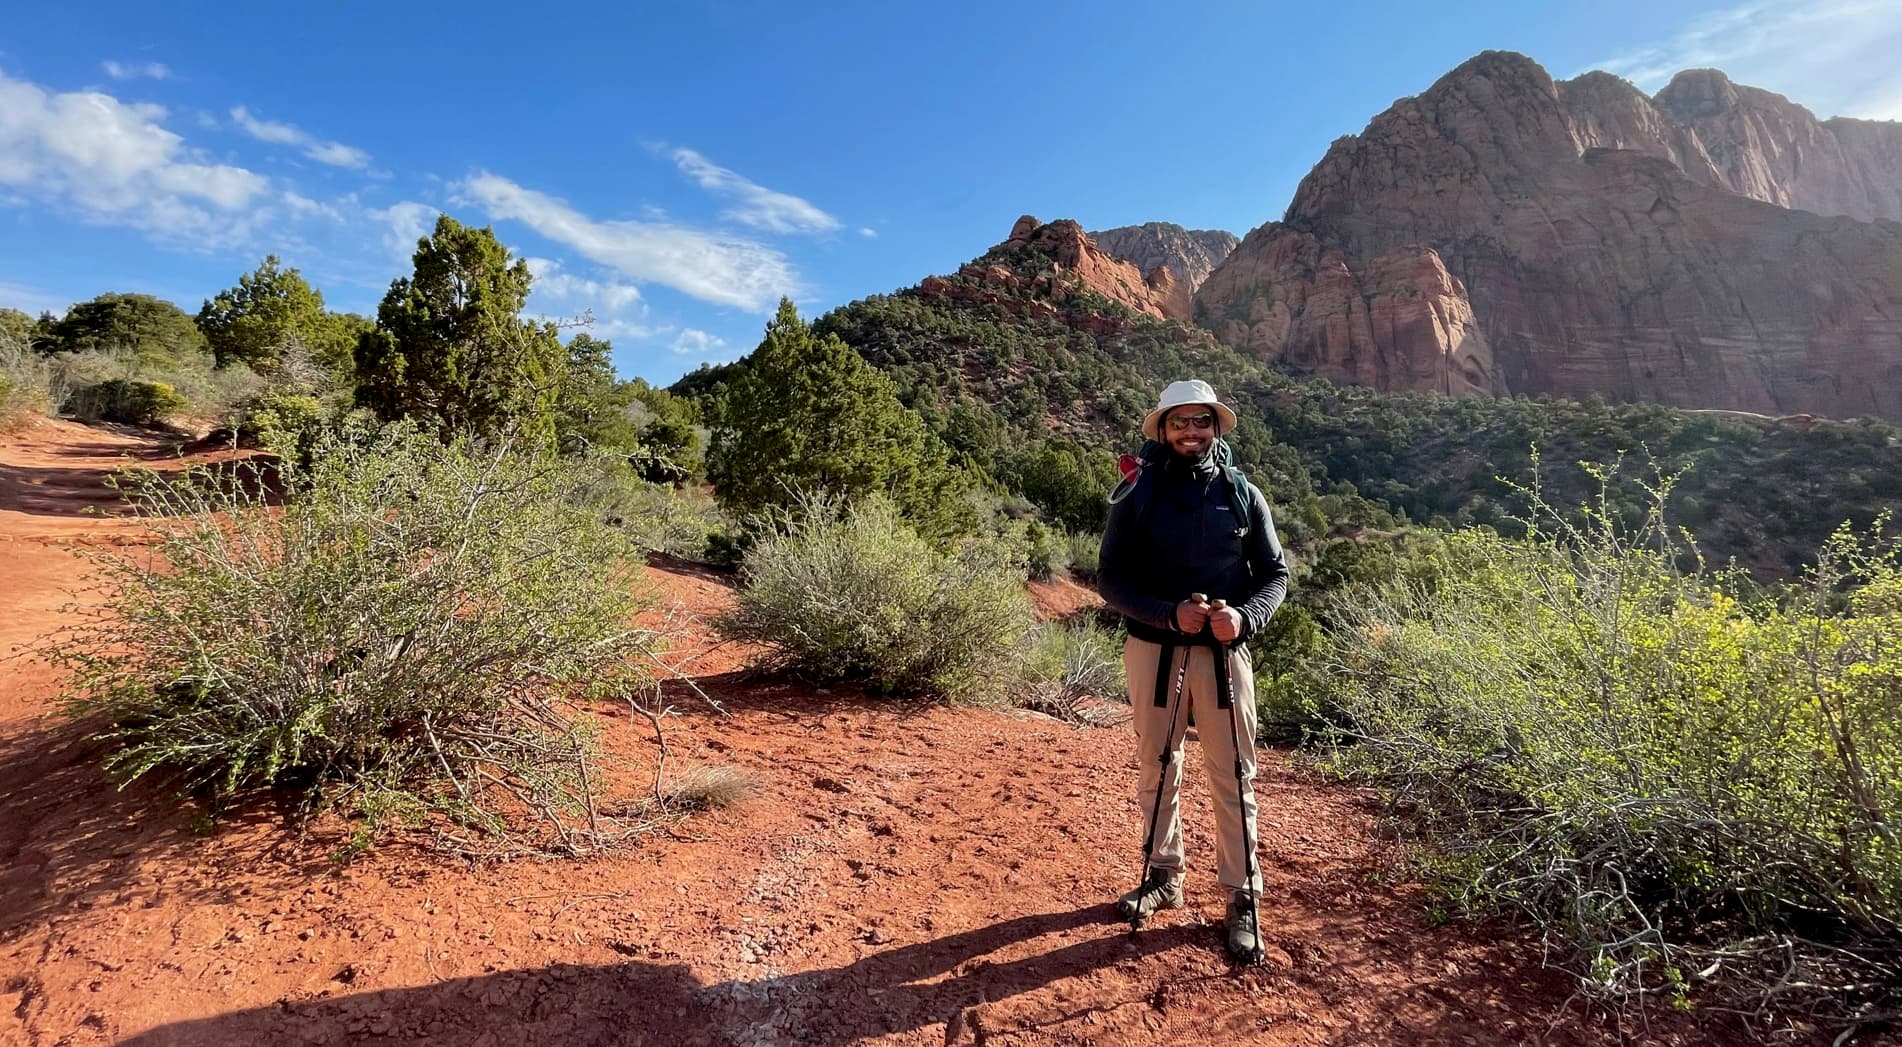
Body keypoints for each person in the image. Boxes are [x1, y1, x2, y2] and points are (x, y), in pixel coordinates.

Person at [1097, 378, 1291, 963]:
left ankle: (1244, 899)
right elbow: (1109, 578)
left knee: (1233, 774)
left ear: (1214, 427)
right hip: (1153, 651)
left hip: (1225, 653)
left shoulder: (1241, 494)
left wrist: (1246, 615)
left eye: (1200, 421)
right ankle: (1164, 876)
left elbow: (1275, 576)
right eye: (1179, 422)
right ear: (1162, 428)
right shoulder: (1137, 492)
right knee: (1157, 766)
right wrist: (1166, 614)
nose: (1190, 431)